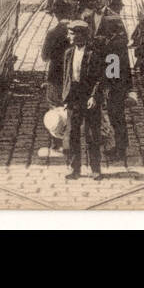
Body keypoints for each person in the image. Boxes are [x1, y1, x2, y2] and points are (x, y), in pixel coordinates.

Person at [84, 0, 132, 160]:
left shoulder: (114, 18)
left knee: (115, 109)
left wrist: (104, 42)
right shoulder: (86, 17)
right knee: (94, 107)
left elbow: (123, 41)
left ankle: (121, 147)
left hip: (112, 65)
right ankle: (99, 145)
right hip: (94, 67)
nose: (95, 1)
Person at [60, 20, 104, 180]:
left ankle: (95, 169)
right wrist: (65, 97)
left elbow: (100, 78)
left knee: (92, 134)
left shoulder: (95, 54)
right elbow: (66, 76)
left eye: (71, 34)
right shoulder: (68, 53)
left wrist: (94, 96)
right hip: (74, 97)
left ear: (80, 35)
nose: (68, 36)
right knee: (72, 133)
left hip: (89, 97)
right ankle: (74, 169)